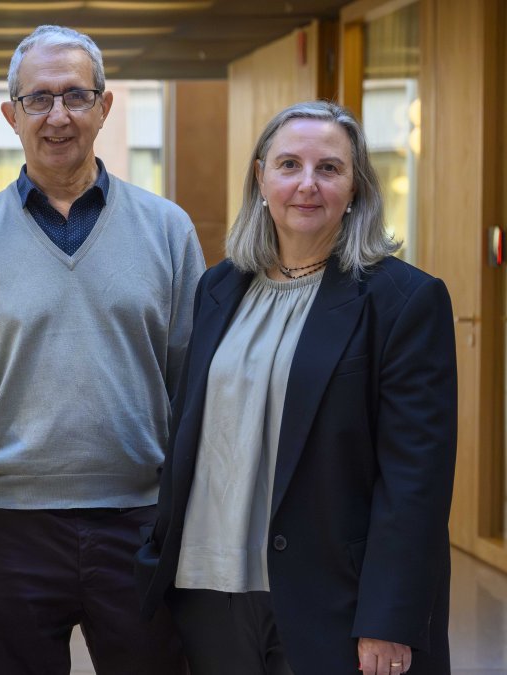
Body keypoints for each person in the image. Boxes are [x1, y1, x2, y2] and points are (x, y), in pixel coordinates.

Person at [135, 100, 457, 675]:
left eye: (329, 168)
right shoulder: (219, 287)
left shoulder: (403, 301)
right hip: (207, 590)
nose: (307, 185)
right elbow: (187, 430)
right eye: (289, 165)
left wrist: (389, 619)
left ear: (356, 185)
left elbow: (416, 483)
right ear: (260, 177)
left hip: (333, 599)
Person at [0, 24, 202, 675]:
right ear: (10, 115)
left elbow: (192, 383)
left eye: (76, 97)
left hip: (138, 523)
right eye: (38, 99)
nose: (58, 117)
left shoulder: (168, 230)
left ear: (105, 108)